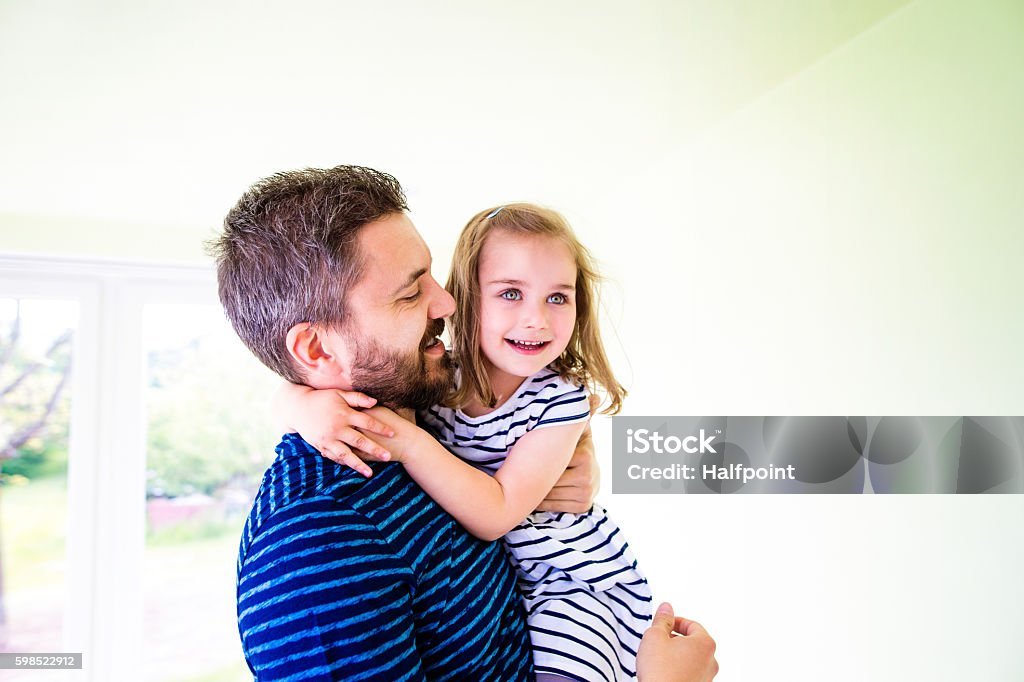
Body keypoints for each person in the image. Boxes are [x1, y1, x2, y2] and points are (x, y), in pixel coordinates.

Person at [212, 164, 718, 681]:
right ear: (317, 349)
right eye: (410, 293)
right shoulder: (316, 542)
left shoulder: (427, 408)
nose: (449, 302)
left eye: (432, 276)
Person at [280, 203, 651, 681]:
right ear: (469, 297)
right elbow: (313, 372)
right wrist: (296, 404)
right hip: (514, 587)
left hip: (572, 581)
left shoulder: (561, 399)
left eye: (558, 298)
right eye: (511, 293)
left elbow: (496, 514)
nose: (536, 319)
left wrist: (411, 445)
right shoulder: (436, 377)